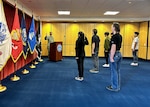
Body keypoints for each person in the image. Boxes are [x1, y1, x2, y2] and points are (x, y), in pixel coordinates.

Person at [106, 22, 122, 92]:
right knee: (117, 71)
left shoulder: (114, 37)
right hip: (119, 54)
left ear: (114, 28)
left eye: (112, 27)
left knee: (113, 71)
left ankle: (114, 86)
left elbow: (113, 47)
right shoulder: (120, 36)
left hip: (115, 54)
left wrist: (111, 57)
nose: (111, 28)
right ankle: (117, 86)